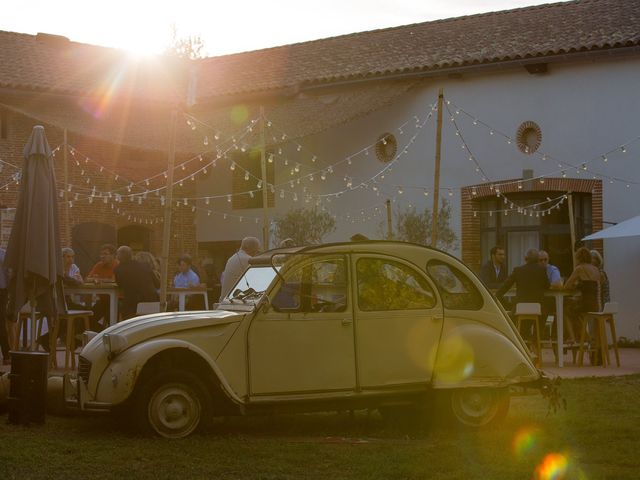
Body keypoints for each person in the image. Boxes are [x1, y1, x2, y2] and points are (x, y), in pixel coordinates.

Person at [496, 248, 550, 339]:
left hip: (520, 308)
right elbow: (547, 286)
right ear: (537, 259)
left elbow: (503, 289)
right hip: (537, 309)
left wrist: (508, 304)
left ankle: (522, 341)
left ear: (525, 258)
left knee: (519, 321)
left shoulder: (518, 270)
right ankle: (536, 341)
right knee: (543, 315)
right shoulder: (542, 269)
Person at [563, 247, 601, 344]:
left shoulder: (580, 269)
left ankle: (573, 338)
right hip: (595, 304)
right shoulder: (596, 269)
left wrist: (575, 285)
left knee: (567, 311)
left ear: (578, 258)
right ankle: (586, 337)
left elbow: (567, 285)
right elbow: (592, 287)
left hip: (585, 303)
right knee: (576, 313)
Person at [114, 246, 159, 320]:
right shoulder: (145, 266)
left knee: (116, 306)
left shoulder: (118, 269)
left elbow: (120, 286)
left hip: (133, 304)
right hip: (153, 301)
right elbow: (157, 284)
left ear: (118, 257)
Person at [86, 244, 119, 331]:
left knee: (111, 319)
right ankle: (103, 332)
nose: (102, 256)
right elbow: (87, 279)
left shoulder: (117, 265)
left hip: (116, 300)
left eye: (105, 254)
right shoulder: (99, 265)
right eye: (101, 254)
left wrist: (99, 279)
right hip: (103, 300)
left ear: (113, 256)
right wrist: (94, 280)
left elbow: (114, 280)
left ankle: (110, 333)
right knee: (88, 318)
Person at [0, 248, 9, 365]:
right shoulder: (3, 254)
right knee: (1, 322)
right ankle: (6, 354)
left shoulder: (3, 253)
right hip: (2, 290)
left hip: (2, 291)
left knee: (2, 322)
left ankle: (7, 354)